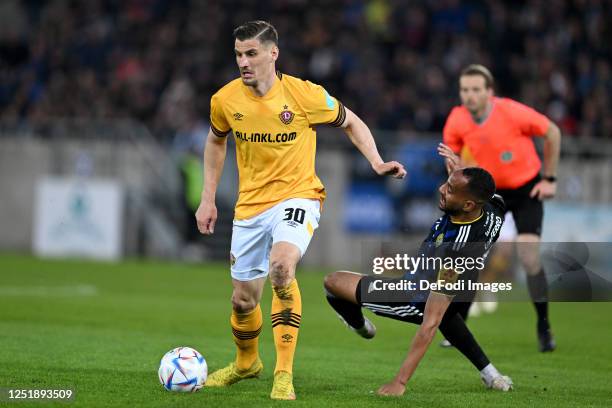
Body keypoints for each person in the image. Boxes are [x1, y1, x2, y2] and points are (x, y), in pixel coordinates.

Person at [195, 20, 406, 400]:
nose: (244, 61)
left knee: (281, 266)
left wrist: (376, 162)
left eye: (252, 53)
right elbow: (215, 142)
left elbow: (351, 121)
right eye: (239, 54)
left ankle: (284, 373)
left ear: (273, 54)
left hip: (298, 196)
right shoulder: (225, 99)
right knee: (243, 299)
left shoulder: (305, 95)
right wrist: (208, 198)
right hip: (250, 207)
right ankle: (247, 363)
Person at [324, 167, 513, 396]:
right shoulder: (493, 209)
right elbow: (492, 196)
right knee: (448, 317)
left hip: (413, 296)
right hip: (460, 288)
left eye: (450, 189)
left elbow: (430, 323)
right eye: (446, 183)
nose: (441, 189)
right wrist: (457, 169)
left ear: (469, 205)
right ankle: (491, 374)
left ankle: (361, 327)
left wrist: (399, 383)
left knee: (333, 283)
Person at [438, 64, 562, 352]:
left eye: (475, 90)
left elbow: (552, 132)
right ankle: (458, 325)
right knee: (469, 257)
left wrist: (550, 179)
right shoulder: (457, 119)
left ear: (489, 93)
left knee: (529, 259)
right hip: (490, 193)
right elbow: (454, 159)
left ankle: (544, 326)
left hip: (527, 190)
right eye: (464, 90)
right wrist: (456, 167)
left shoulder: (510, 111)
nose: (469, 95)